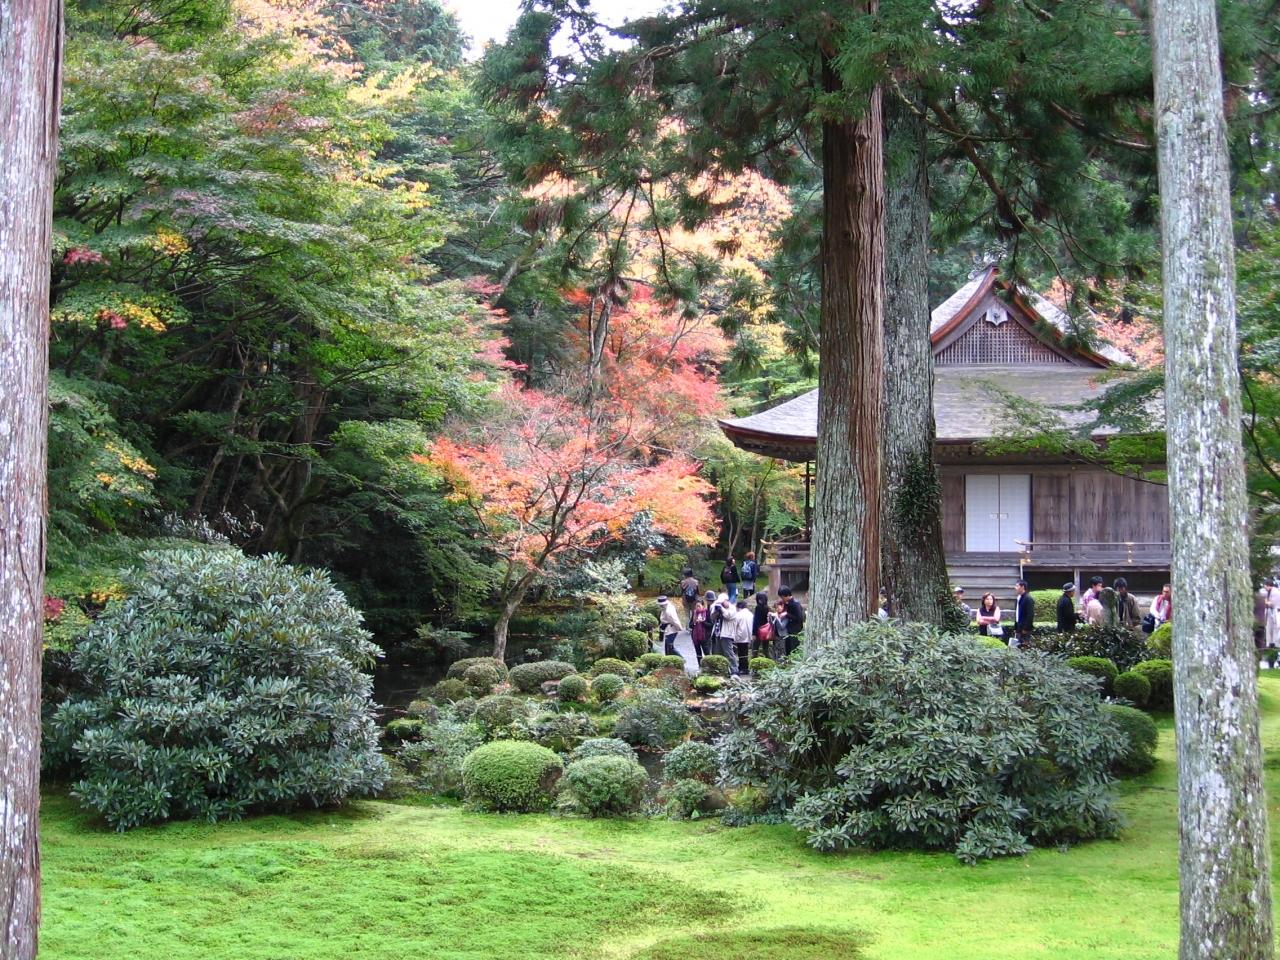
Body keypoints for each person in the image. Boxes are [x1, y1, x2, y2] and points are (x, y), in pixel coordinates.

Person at [778, 585, 805, 655]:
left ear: (786, 595)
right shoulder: (787, 603)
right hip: (788, 630)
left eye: (782, 597)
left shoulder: (795, 604)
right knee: (788, 649)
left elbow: (799, 618)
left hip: (795, 630)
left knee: (794, 649)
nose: (781, 599)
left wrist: (786, 614)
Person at [730, 598, 753, 674]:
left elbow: (735, 625)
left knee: (741, 653)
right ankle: (745, 667)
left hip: (740, 636)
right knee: (745, 652)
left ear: (738, 607)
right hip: (749, 635)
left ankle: (743, 668)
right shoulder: (750, 614)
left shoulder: (738, 615)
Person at [1012, 580, 1034, 647]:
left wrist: (1026, 628)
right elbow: (1017, 613)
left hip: (1024, 627)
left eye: (1017, 586)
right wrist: (1016, 627)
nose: (1015, 588)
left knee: (1024, 646)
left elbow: (1030, 614)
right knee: (1017, 645)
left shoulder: (1028, 598)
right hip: (1019, 626)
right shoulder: (1018, 598)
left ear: (1022, 587)